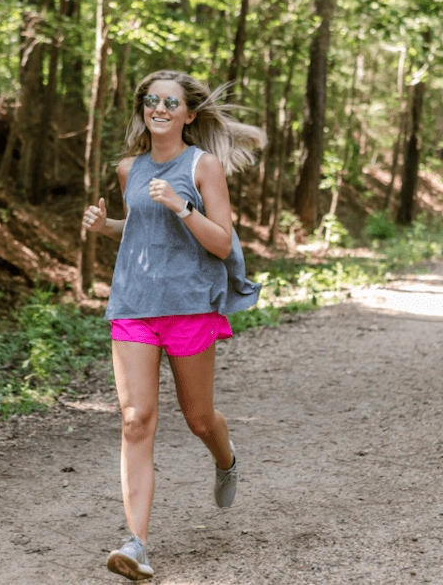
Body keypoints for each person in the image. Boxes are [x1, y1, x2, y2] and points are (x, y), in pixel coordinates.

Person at [81, 70, 266, 581]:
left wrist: (182, 205)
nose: (159, 107)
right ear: (142, 107)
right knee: (136, 418)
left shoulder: (202, 166)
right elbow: (142, 232)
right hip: (134, 306)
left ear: (188, 114)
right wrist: (106, 228)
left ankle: (225, 459)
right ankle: (136, 543)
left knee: (199, 417)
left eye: (170, 102)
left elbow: (222, 243)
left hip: (188, 306)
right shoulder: (129, 169)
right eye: (150, 99)